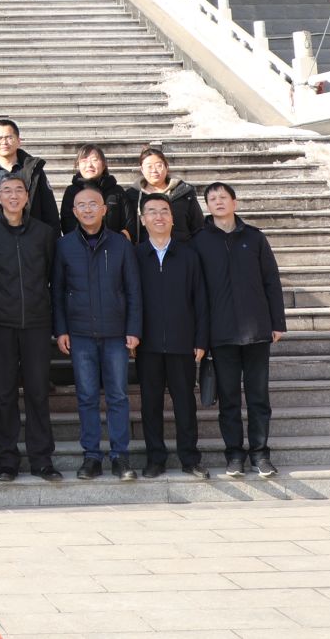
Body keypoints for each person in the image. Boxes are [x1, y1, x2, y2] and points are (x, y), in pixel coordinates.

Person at [191, 181, 286, 478]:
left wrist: (277, 322)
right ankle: (234, 455)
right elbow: (197, 293)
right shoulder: (199, 241)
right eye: (212, 199)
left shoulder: (254, 238)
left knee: (258, 397)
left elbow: (271, 280)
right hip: (221, 333)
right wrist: (200, 335)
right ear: (207, 206)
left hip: (256, 329)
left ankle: (260, 454)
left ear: (235, 202)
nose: (218, 202)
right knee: (229, 399)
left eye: (223, 197)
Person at [55, 181, 143, 481]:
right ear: (74, 211)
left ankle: (120, 456)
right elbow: (58, 291)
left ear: (104, 209)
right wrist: (61, 329)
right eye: (82, 205)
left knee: (118, 395)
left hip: (116, 334)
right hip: (80, 333)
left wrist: (133, 329)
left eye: (94, 204)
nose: (88, 209)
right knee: (87, 396)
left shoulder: (121, 244)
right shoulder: (64, 245)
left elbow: (133, 290)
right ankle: (91, 456)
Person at [0, 175, 61, 482]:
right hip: (1, 325)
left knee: (38, 392)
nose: (13, 196)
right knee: (3, 394)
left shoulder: (44, 233)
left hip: (37, 323)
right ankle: (7, 460)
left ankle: (42, 459)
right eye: (6, 191)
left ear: (27, 196)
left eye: (18, 191)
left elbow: (54, 278)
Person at [134, 195, 210, 480]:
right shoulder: (136, 255)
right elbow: (129, 299)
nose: (159, 217)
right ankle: (155, 458)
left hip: (183, 343)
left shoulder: (189, 255)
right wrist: (132, 335)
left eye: (164, 211)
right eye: (152, 212)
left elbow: (201, 300)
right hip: (147, 344)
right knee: (150, 404)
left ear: (172, 218)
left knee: (185, 403)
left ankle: (190, 458)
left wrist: (201, 339)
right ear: (143, 219)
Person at [0, 119, 57, 231]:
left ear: (18, 141)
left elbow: (49, 208)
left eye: (9, 137)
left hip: (30, 235)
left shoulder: (33, 171)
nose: (4, 142)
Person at [124, 146, 205, 243]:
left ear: (167, 167)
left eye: (159, 165)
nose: (154, 170)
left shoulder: (184, 192)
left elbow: (198, 226)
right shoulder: (132, 195)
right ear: (142, 169)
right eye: (149, 166)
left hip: (182, 249)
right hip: (145, 250)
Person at [64, 144, 131, 237]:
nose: (89, 165)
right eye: (84, 160)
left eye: (94, 160)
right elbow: (67, 223)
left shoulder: (117, 191)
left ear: (103, 165)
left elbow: (129, 223)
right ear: (78, 165)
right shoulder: (71, 191)